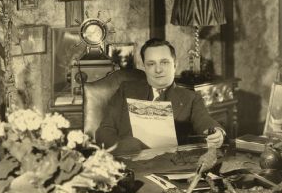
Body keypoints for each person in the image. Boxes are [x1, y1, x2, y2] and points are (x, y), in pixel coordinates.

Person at [95, 38, 225, 153]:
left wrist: (217, 133)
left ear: (175, 65)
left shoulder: (190, 98)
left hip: (167, 169)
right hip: (129, 166)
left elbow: (205, 122)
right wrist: (124, 151)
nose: (158, 70)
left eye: (164, 62)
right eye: (151, 64)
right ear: (144, 67)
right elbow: (104, 130)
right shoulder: (126, 90)